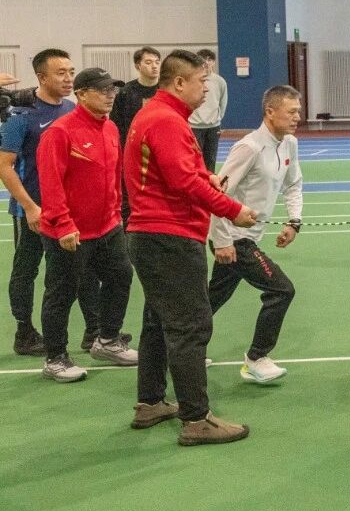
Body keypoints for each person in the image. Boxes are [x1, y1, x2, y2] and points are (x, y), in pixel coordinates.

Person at [125, 49, 257, 446]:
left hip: (152, 235)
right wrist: (233, 210)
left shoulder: (158, 116)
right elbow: (183, 182)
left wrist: (206, 177)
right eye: (202, 81)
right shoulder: (166, 120)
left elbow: (181, 171)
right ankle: (197, 419)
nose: (207, 89)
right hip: (169, 237)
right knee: (190, 325)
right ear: (179, 82)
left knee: (158, 321)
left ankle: (151, 403)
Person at [35, 68, 137, 383]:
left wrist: (116, 213)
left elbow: (114, 176)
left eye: (112, 90)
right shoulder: (60, 132)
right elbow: (50, 183)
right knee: (62, 293)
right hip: (69, 233)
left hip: (108, 227)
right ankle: (55, 358)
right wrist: (64, 224)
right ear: (81, 94)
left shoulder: (110, 128)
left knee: (121, 276)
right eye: (102, 90)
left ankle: (107, 340)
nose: (110, 95)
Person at [208, 85, 304, 385]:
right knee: (281, 290)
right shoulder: (248, 148)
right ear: (270, 112)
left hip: (249, 237)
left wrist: (294, 221)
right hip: (234, 238)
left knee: (211, 298)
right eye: (291, 112)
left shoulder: (289, 144)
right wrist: (222, 240)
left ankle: (177, 347)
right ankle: (256, 359)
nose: (297, 117)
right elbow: (218, 195)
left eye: (298, 111)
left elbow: (293, 184)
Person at [1, 49, 79, 356]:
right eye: (60, 73)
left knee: (70, 272)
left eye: (71, 72)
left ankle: (88, 330)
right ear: (41, 77)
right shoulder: (21, 113)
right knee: (26, 270)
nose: (68, 78)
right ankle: (24, 331)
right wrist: (30, 207)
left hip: (65, 210)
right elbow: (4, 166)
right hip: (31, 211)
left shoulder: (71, 109)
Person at [112, 46, 161, 223]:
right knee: (129, 198)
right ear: (137, 66)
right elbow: (116, 125)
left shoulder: (166, 90)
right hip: (132, 155)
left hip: (160, 153)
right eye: (148, 62)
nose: (154, 66)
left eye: (157, 62)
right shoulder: (125, 92)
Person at [188, 49, 227, 172]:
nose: (206, 62)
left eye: (210, 59)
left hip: (213, 127)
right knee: (195, 159)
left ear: (214, 62)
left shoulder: (220, 81)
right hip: (194, 126)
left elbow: (223, 102)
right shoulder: (191, 80)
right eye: (203, 59)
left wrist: (217, 119)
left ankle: (209, 183)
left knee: (211, 160)